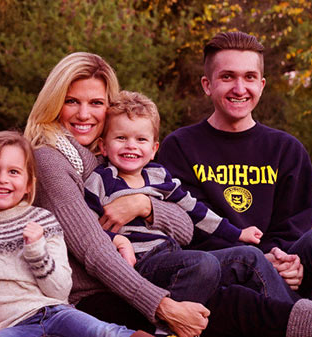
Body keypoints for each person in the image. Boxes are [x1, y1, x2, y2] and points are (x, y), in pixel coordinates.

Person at [24, 51, 312, 337]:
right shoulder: (54, 160)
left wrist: (145, 205)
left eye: (96, 102)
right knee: (235, 303)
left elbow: (185, 221)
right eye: (72, 101)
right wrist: (163, 306)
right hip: (122, 286)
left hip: (198, 265)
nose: (85, 114)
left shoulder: (104, 156)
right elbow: (97, 250)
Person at [159, 31, 312, 308]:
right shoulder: (181, 147)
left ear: (262, 84)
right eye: (227, 77)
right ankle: (305, 321)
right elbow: (189, 229)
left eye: (249, 77)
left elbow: (292, 228)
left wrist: (283, 260)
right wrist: (255, 258)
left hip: (281, 274)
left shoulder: (286, 150)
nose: (239, 88)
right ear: (207, 85)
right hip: (219, 276)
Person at [0, 131, 153, 337]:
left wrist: (36, 251)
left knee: (103, 331)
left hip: (56, 311)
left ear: (28, 184)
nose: (2, 179)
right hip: (12, 325)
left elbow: (60, 290)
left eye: (14, 172)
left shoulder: (42, 220)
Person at [84, 90, 263, 264]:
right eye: (121, 138)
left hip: (171, 253)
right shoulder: (101, 180)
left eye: (141, 140)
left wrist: (237, 233)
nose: (131, 146)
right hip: (139, 261)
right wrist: (118, 242)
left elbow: (194, 209)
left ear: (154, 149)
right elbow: (86, 229)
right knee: (204, 264)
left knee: (245, 260)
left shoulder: (159, 176)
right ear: (103, 147)